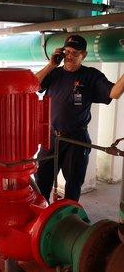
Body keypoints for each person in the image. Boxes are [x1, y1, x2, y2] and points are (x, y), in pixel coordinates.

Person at [35, 34, 124, 202]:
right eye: (67, 52)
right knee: (41, 179)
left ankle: (70, 219)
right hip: (51, 137)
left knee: (73, 184)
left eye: (75, 53)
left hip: (76, 139)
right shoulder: (54, 73)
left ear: (84, 55)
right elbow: (31, 85)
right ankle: (42, 217)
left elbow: (114, 93)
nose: (69, 56)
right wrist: (51, 64)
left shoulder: (91, 76)